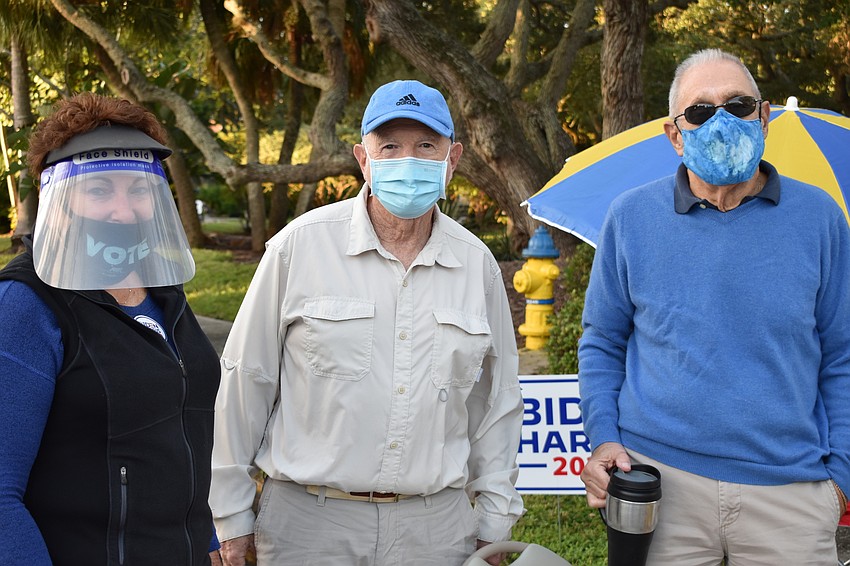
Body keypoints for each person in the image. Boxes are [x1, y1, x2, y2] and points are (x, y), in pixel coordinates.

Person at [210, 79, 525, 566]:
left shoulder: (477, 265)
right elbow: (244, 381)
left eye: (425, 146)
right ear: (364, 159)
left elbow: (496, 403)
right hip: (308, 526)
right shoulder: (300, 247)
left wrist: (495, 521)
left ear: (452, 158)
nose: (408, 160)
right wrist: (230, 519)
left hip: (436, 529)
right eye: (390, 146)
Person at [577, 48, 850, 565]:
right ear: (675, 135)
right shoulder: (630, 217)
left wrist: (841, 483)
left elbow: (843, 357)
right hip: (659, 487)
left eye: (739, 105)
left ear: (764, 117)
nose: (721, 121)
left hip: (790, 494)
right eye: (700, 112)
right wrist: (604, 439)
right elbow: (602, 342)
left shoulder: (821, 218)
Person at [0, 93, 223, 566]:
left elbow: (181, 432)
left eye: (138, 189)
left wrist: (205, 542)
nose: (124, 211)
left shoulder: (165, 292)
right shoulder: (26, 306)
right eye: (100, 189)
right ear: (55, 197)